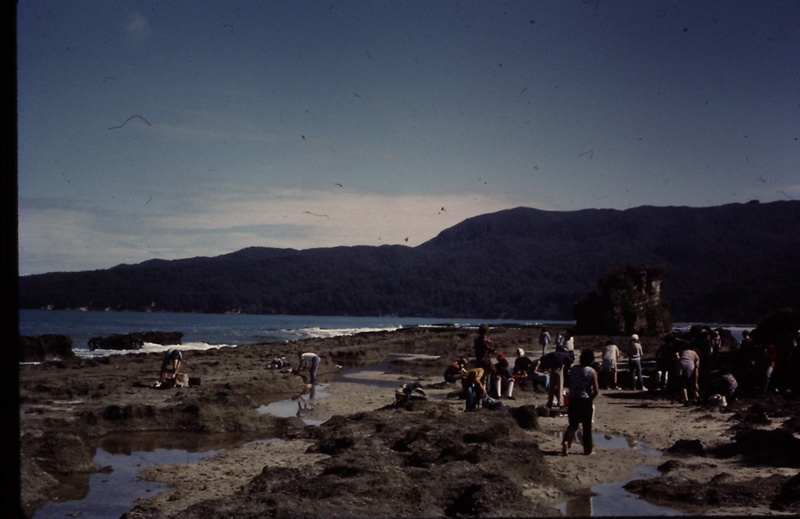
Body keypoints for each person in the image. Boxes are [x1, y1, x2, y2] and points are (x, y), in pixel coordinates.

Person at [562, 349, 600, 456]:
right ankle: (588, 450)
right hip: (585, 400)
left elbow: (568, 383)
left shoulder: (573, 369)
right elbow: (596, 390)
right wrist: (590, 399)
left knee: (573, 424)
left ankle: (566, 442)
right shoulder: (591, 371)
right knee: (586, 427)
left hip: (573, 399)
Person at [473, 324, 497, 393]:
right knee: (486, 378)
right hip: (486, 361)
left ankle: (478, 391)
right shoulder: (487, 340)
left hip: (478, 361)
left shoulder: (476, 340)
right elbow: (493, 349)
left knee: (478, 377)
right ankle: (486, 392)